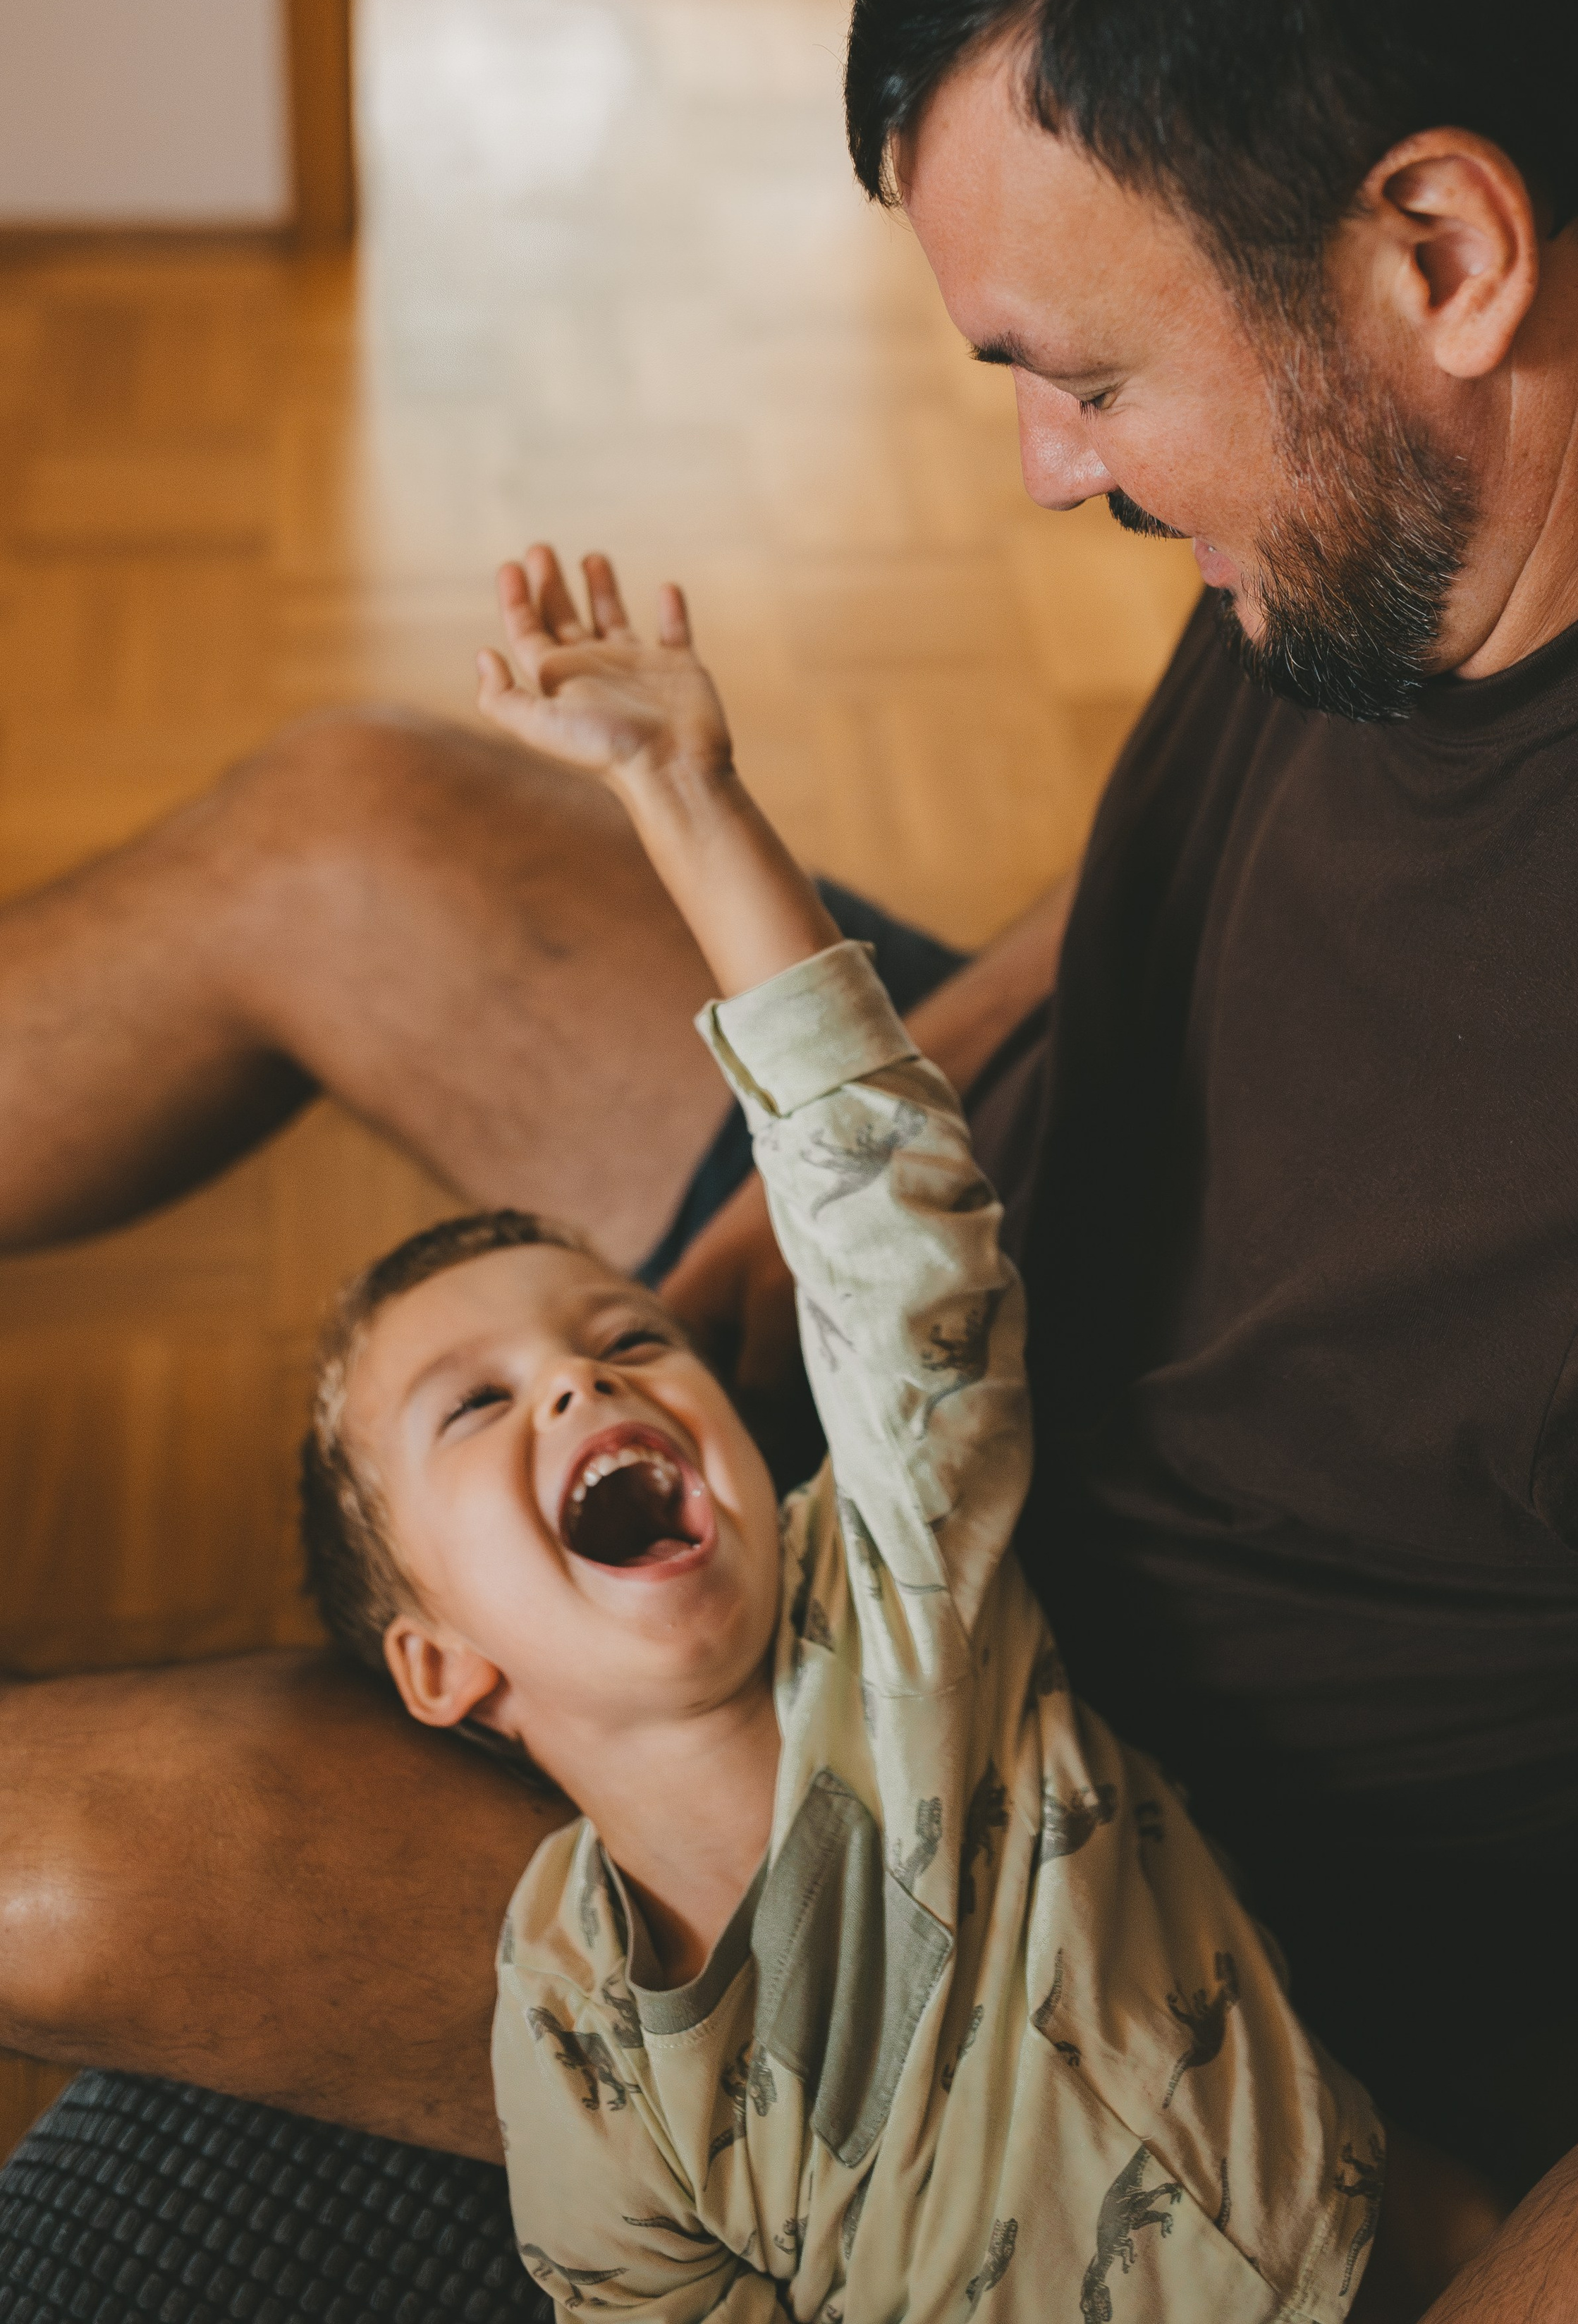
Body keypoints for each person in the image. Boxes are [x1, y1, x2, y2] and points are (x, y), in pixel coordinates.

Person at [3, 0, 1578, 2320]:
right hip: (933, 1291)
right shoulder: (1443, 500)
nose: (1053, 474)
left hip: (1043, 1830)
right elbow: (1166, 880)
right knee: (350, 832)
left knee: (44, 1864)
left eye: (1092, 380)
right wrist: (782, 1210)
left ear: (1444, 249)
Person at [299, 544, 1395, 2319]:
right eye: (479, 1405)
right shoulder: (575, 2031)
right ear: (443, 1663)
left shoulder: (893, 1573)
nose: (579, 1383)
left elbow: (885, 1204)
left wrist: (685, 792)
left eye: (626, 1338)